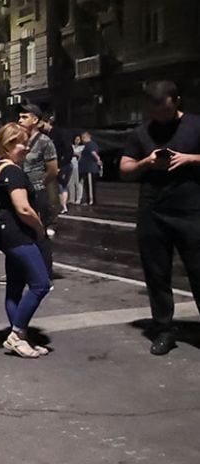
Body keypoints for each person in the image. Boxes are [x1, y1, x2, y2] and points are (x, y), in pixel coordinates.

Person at [119, 80, 200, 356]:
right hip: (153, 212)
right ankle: (164, 329)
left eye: (165, 110)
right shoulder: (141, 133)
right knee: (157, 274)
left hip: (192, 211)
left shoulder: (195, 125)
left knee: (198, 271)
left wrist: (190, 159)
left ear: (176, 101)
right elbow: (125, 168)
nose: (160, 117)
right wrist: (146, 162)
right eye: (154, 111)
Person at [0, 123, 51, 358]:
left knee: (15, 287)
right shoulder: (13, 172)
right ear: (6, 145)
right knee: (40, 283)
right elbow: (23, 208)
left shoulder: (0, 169)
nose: (25, 147)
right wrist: (40, 228)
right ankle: (16, 334)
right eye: (20, 143)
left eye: (26, 142)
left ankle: (20, 337)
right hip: (18, 235)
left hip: (7, 235)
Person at [17, 103, 59, 228]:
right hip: (21, 191)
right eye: (19, 117)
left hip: (37, 193)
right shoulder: (18, 140)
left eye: (24, 117)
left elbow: (52, 170)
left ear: (35, 120)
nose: (20, 121)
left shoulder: (44, 141)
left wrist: (40, 184)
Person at [43, 116, 73, 214]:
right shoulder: (48, 134)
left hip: (62, 164)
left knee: (61, 185)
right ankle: (62, 205)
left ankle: (63, 206)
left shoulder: (58, 133)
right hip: (59, 163)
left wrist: (61, 165)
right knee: (60, 186)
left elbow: (67, 150)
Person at [77, 131, 103, 205]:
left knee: (90, 185)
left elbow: (93, 153)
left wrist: (98, 160)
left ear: (86, 137)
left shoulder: (90, 144)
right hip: (86, 168)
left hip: (90, 168)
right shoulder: (87, 145)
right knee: (87, 185)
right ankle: (89, 200)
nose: (82, 140)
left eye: (82, 138)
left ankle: (91, 201)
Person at [68, 135, 84, 205]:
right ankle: (71, 198)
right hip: (71, 165)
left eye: (78, 139)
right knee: (70, 183)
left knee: (78, 182)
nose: (77, 141)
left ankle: (78, 198)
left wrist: (75, 154)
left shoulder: (82, 147)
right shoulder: (72, 146)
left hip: (78, 166)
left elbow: (80, 156)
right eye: (76, 139)